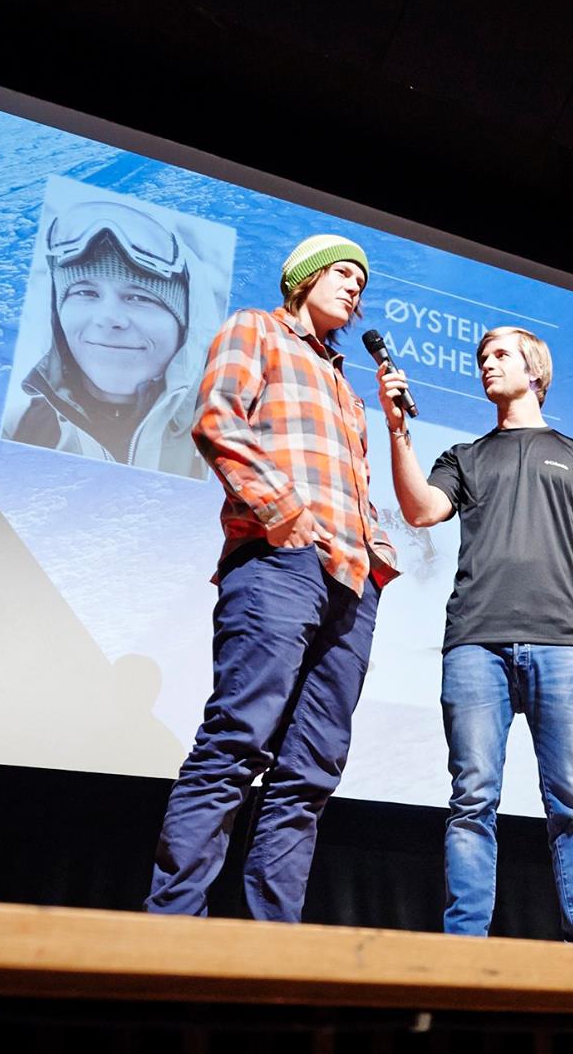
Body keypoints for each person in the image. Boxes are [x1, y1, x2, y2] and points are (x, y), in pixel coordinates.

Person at [145, 234, 399, 922]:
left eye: (361, 281)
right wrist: (284, 513)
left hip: (353, 580)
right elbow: (217, 417)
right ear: (303, 278)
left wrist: (376, 557)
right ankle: (172, 927)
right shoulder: (257, 328)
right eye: (342, 273)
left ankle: (272, 942)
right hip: (279, 561)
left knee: (312, 769)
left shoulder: (346, 387)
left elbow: (356, 484)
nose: (354, 286)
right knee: (237, 739)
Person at [379, 326, 573, 944]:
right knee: (471, 803)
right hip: (475, 643)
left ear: (534, 370)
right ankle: (465, 950)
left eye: (500, 355)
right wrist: (397, 430)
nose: (486, 363)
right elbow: (420, 511)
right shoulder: (464, 457)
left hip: (563, 646)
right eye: (481, 356)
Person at [6, 198, 206, 479]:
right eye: (85, 292)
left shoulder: (221, 444)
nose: (108, 318)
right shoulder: (18, 429)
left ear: (186, 325)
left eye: (139, 297)